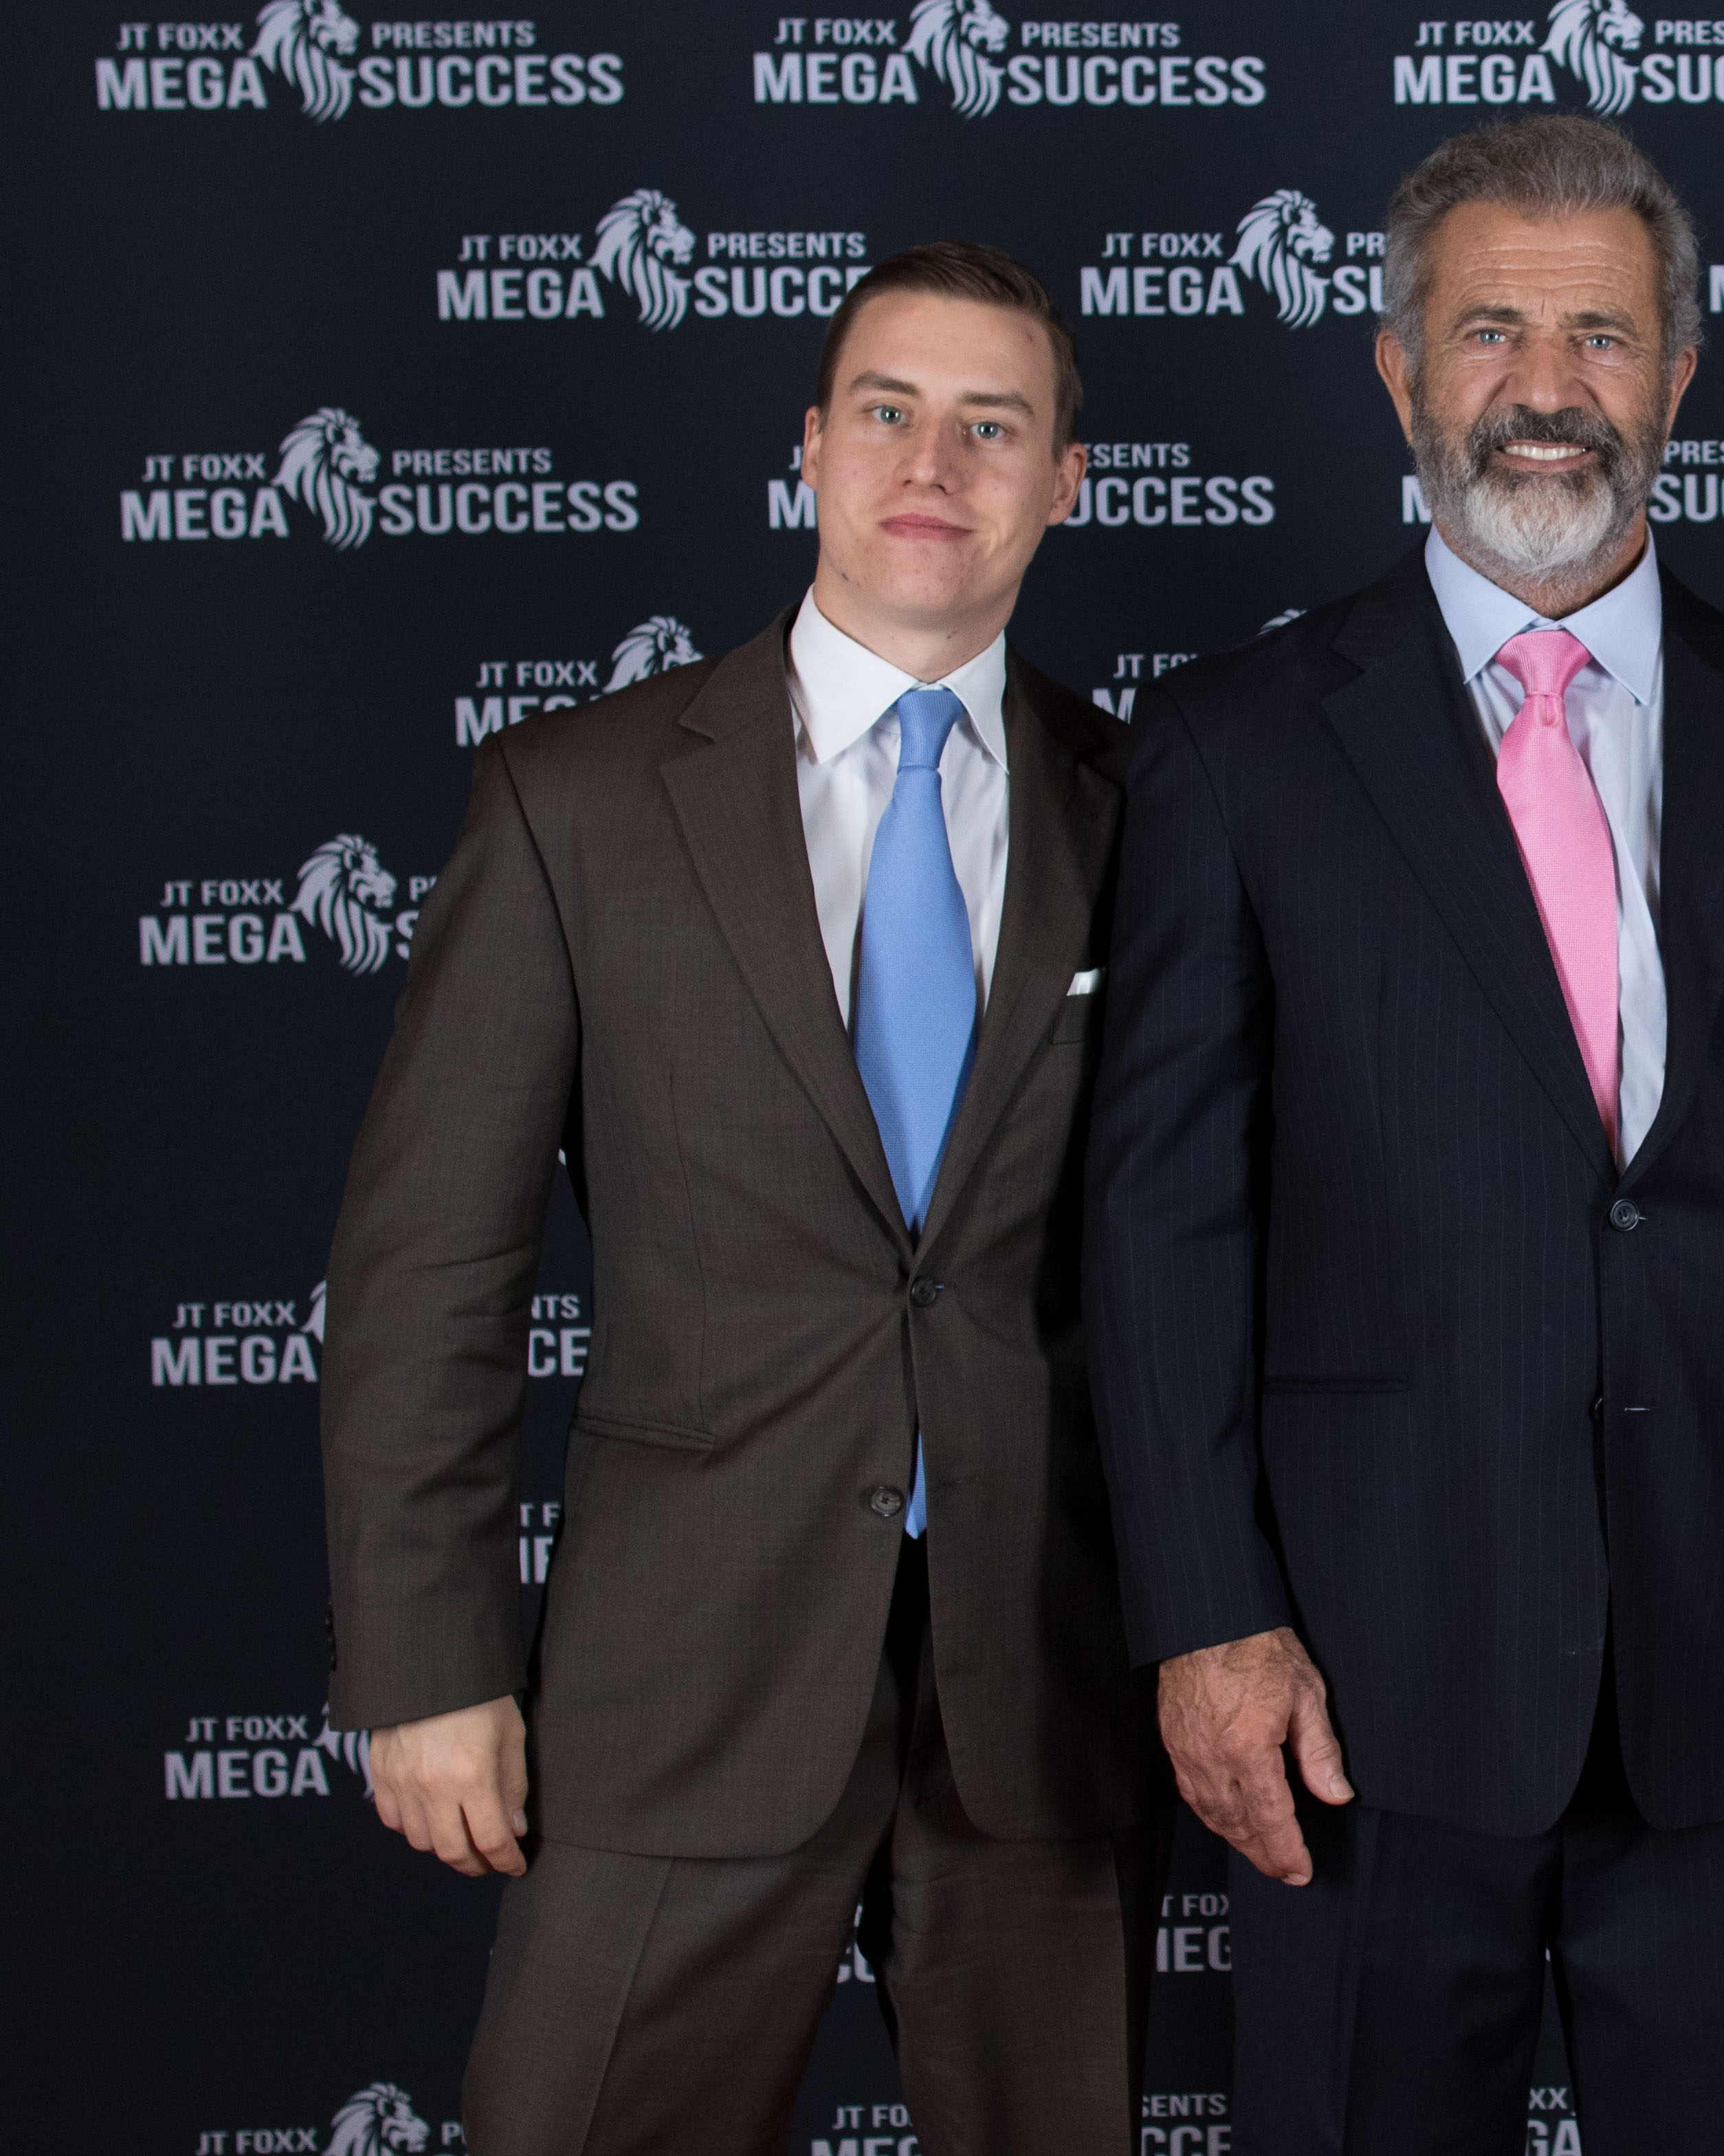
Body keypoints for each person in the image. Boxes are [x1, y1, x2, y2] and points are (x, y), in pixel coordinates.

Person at [1084, 117, 1724, 2155]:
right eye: (1489, 332)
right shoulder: (1230, 747)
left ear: (1678, 375)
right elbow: (1159, 1228)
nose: (1545, 388)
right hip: (1356, 1696)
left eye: (1600, 337)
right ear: (1398, 368)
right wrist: (1207, 1618)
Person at [319, 241, 1160, 2156]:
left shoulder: (1154, 805)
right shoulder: (576, 800)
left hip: (1043, 1678)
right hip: (679, 1673)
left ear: (1064, 481)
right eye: (887, 411)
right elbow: (432, 1268)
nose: (929, 462)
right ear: (809, 447)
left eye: (991, 425)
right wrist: (430, 1664)